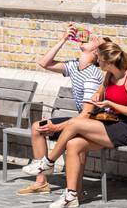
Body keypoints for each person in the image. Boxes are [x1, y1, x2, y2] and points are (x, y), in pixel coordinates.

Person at [21, 40, 127, 208]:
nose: (97, 62)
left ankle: (48, 162)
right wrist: (97, 95)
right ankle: (72, 195)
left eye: (99, 59)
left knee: (75, 124)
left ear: (108, 62)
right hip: (107, 122)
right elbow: (100, 92)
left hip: (124, 128)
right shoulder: (108, 75)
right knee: (73, 144)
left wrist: (112, 104)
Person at [16, 25, 107, 196]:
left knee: (76, 140)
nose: (92, 37)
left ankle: (76, 190)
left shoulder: (93, 76)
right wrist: (64, 39)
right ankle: (41, 182)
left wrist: (58, 127)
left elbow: (87, 114)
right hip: (80, 118)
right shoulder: (74, 66)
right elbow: (44, 63)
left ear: (96, 53)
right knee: (37, 127)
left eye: (95, 40)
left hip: (92, 122)